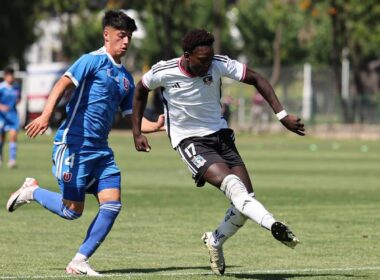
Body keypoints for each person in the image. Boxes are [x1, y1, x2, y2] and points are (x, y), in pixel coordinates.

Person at [132, 29, 305, 276]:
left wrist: (282, 115)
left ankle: (214, 240)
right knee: (234, 187)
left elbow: (257, 78)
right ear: (187, 55)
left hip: (220, 135)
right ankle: (273, 224)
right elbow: (140, 90)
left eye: (210, 58)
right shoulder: (164, 71)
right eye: (202, 60)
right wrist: (137, 131)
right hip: (189, 140)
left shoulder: (218, 64)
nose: (207, 65)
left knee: (246, 201)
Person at [6, 10, 164, 276]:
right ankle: (31, 191)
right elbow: (61, 84)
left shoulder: (125, 78)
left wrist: (156, 125)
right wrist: (45, 115)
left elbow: (132, 119)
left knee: (112, 204)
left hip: (101, 151)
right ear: (107, 35)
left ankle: (79, 260)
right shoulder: (91, 61)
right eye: (121, 36)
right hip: (74, 145)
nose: (125, 42)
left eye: (129, 37)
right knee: (72, 212)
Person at [0, 67, 21, 168]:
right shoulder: (1, 87)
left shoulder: (17, 87)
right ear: (5, 76)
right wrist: (2, 106)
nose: (11, 77)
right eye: (9, 75)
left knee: (13, 136)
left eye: (12, 75)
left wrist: (16, 101)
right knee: (2, 138)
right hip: (2, 116)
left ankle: (12, 160)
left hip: (13, 115)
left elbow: (19, 98)